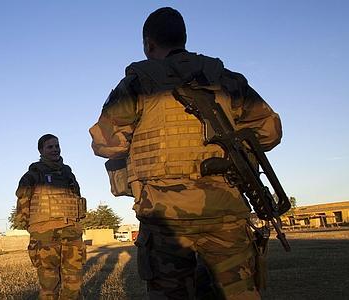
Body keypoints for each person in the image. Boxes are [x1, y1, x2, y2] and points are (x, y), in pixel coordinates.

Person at [89, 7, 282, 299]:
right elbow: (270, 131)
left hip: (165, 215)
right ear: (184, 38)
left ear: (148, 44)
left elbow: (105, 143)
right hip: (225, 207)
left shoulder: (138, 82)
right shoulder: (225, 78)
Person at [15, 134, 87, 300]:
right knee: (49, 285)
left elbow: (77, 197)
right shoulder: (34, 173)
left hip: (71, 232)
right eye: (50, 147)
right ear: (41, 150)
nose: (55, 149)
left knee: (73, 283)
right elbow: (23, 200)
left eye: (57, 146)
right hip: (45, 234)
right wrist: (31, 227)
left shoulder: (68, 173)